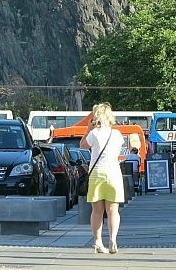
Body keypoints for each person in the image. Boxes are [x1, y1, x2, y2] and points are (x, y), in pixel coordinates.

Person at [80, 102, 125, 254]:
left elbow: (83, 145)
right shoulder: (117, 134)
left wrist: (88, 130)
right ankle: (113, 239)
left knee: (97, 211)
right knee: (113, 210)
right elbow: (117, 152)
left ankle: (98, 242)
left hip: (96, 173)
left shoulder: (94, 134)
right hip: (113, 172)